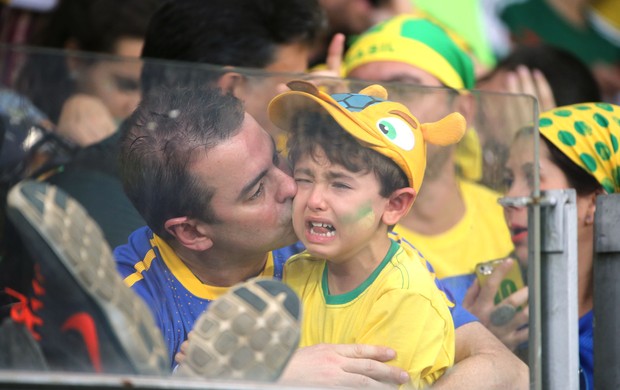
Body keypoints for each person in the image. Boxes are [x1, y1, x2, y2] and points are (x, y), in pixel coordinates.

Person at [115, 82, 528, 388]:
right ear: (191, 231)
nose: (294, 188)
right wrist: (273, 380)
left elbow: (507, 369)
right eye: (258, 189)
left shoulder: (324, 238)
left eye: (280, 157)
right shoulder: (129, 304)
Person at [271, 80, 465, 387]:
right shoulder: (297, 270)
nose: (314, 200)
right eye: (304, 178)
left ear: (395, 204)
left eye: (340, 184)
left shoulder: (405, 299)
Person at [341, 14, 514, 303]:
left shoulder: (511, 220)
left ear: (463, 109)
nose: (380, 112)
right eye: (363, 95)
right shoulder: (338, 228)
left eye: (406, 88)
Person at [464, 102, 620, 389]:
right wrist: (473, 346)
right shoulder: (471, 299)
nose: (510, 199)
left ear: (596, 203)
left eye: (533, 178)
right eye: (509, 180)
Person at [14, 0, 163, 146]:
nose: (138, 107)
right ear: (76, 59)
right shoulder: (14, 123)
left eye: (153, 86)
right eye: (125, 85)